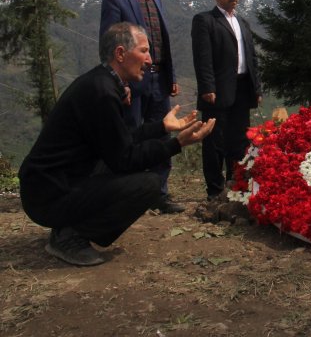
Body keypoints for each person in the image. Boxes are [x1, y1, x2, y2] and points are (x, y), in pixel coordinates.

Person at [19, 23, 215, 267]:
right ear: (121, 54)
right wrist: (176, 144)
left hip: (50, 184)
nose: (149, 60)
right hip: (49, 194)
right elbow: (124, 158)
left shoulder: (101, 83)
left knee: (131, 173)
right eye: (144, 51)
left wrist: (162, 128)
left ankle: (68, 226)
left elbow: (118, 139)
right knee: (148, 185)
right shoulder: (102, 92)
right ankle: (69, 236)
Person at [100, 0, 183, 213]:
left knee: (161, 133)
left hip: (159, 80)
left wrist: (171, 77)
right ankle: (129, 192)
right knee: (131, 135)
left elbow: (163, 41)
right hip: (132, 80)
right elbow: (109, 44)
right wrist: (117, 82)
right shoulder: (116, 0)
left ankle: (159, 193)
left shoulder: (156, 0)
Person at [191, 0, 262, 200]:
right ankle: (214, 189)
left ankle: (236, 182)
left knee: (239, 140)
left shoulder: (242, 22)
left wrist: (256, 88)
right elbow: (203, 58)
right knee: (214, 141)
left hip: (242, 89)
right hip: (217, 90)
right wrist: (207, 87)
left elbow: (252, 58)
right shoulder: (205, 21)